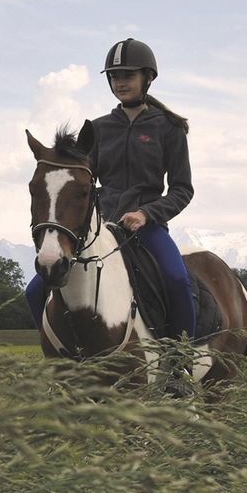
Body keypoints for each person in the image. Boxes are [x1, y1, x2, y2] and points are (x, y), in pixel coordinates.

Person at [25, 38, 198, 346]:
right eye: (114, 77)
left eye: (128, 75)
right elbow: (79, 182)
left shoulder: (169, 129)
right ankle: (60, 357)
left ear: (148, 78)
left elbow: (182, 189)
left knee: (177, 279)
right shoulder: (99, 129)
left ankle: (180, 358)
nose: (120, 82)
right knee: (35, 290)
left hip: (147, 230)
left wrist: (147, 214)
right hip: (101, 229)